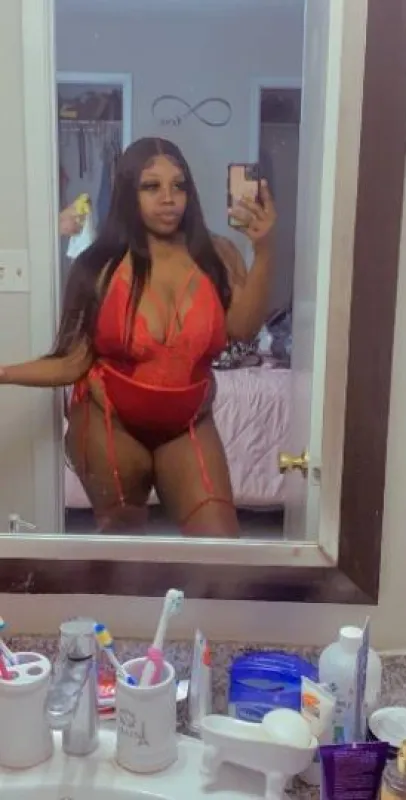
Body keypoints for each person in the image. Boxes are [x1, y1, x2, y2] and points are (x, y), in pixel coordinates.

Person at [0, 138, 276, 535]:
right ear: (129, 192)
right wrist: (5, 373)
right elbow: (73, 362)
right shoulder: (99, 266)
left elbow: (243, 328)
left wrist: (264, 251)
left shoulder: (217, 254)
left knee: (221, 549)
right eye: (151, 186)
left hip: (188, 423)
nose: (168, 198)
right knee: (124, 547)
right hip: (110, 422)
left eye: (178, 185)